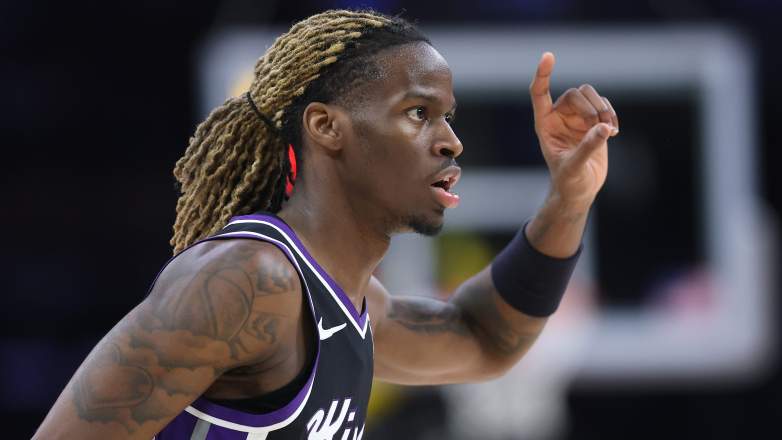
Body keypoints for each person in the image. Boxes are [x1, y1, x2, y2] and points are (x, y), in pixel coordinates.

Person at [33, 9, 618, 440]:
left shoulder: (351, 304)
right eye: (419, 113)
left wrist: (570, 198)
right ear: (326, 127)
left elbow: (484, 339)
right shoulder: (248, 283)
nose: (450, 141)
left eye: (448, 117)